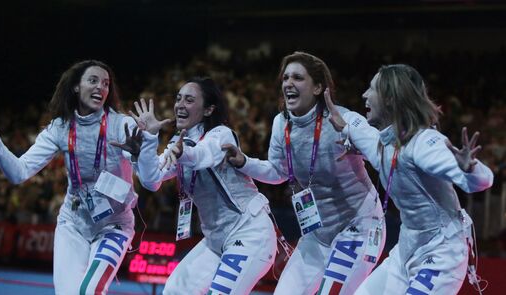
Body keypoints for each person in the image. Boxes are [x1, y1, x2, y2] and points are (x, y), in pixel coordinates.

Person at [0, 60, 140, 295]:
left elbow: (148, 177)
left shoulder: (122, 125)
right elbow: (18, 173)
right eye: (93, 81)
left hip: (114, 226)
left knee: (89, 291)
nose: (100, 88)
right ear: (76, 86)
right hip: (72, 225)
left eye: (105, 84)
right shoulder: (60, 128)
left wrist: (139, 154)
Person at [222, 51, 386, 295]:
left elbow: (381, 151)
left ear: (318, 87)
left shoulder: (345, 119)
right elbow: (278, 172)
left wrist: (352, 134)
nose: (289, 83)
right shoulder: (281, 123)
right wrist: (244, 162)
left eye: (298, 78)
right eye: (286, 77)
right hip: (317, 234)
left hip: (358, 226)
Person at [324, 64, 494, 294]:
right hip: (405, 250)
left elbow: (480, 182)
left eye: (372, 89)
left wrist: (469, 169)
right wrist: (343, 127)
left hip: (441, 254)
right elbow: (357, 129)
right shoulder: (381, 142)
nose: (364, 94)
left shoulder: (423, 143)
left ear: (391, 99)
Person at [128, 77, 277, 295]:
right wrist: (148, 141)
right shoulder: (177, 143)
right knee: (175, 290)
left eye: (189, 100)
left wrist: (182, 153)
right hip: (215, 241)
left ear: (208, 110)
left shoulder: (221, 134)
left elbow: (201, 155)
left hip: (250, 234)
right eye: (178, 99)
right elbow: (151, 180)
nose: (180, 104)